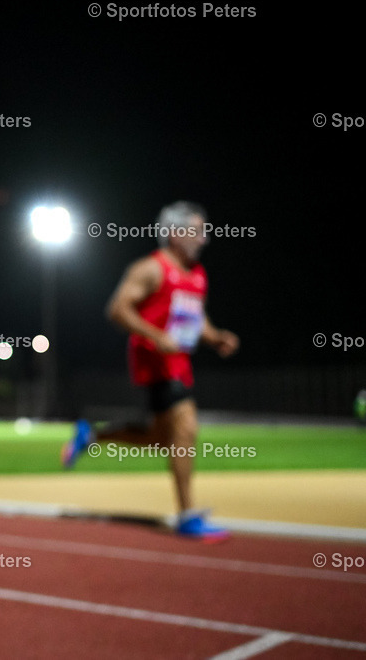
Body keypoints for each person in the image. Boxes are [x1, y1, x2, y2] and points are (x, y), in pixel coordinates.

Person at [62, 202, 240, 542]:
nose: (204, 237)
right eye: (197, 230)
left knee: (159, 438)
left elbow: (195, 318)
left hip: (180, 362)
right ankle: (188, 514)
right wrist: (156, 336)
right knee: (186, 428)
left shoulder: (197, 274)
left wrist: (216, 338)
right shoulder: (150, 269)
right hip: (154, 361)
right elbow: (117, 309)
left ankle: (92, 436)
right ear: (175, 234)